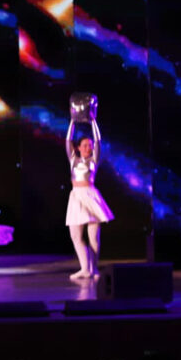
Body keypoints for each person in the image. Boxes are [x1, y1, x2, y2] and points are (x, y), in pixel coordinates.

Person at [65, 117, 114, 281]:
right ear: (78, 148)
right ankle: (85, 268)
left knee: (93, 237)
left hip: (91, 196)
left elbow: (98, 141)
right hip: (76, 197)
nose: (88, 147)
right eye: (84, 145)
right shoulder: (73, 160)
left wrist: (93, 122)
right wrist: (72, 121)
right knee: (75, 235)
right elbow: (68, 141)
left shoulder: (93, 161)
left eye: (89, 145)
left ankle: (94, 269)